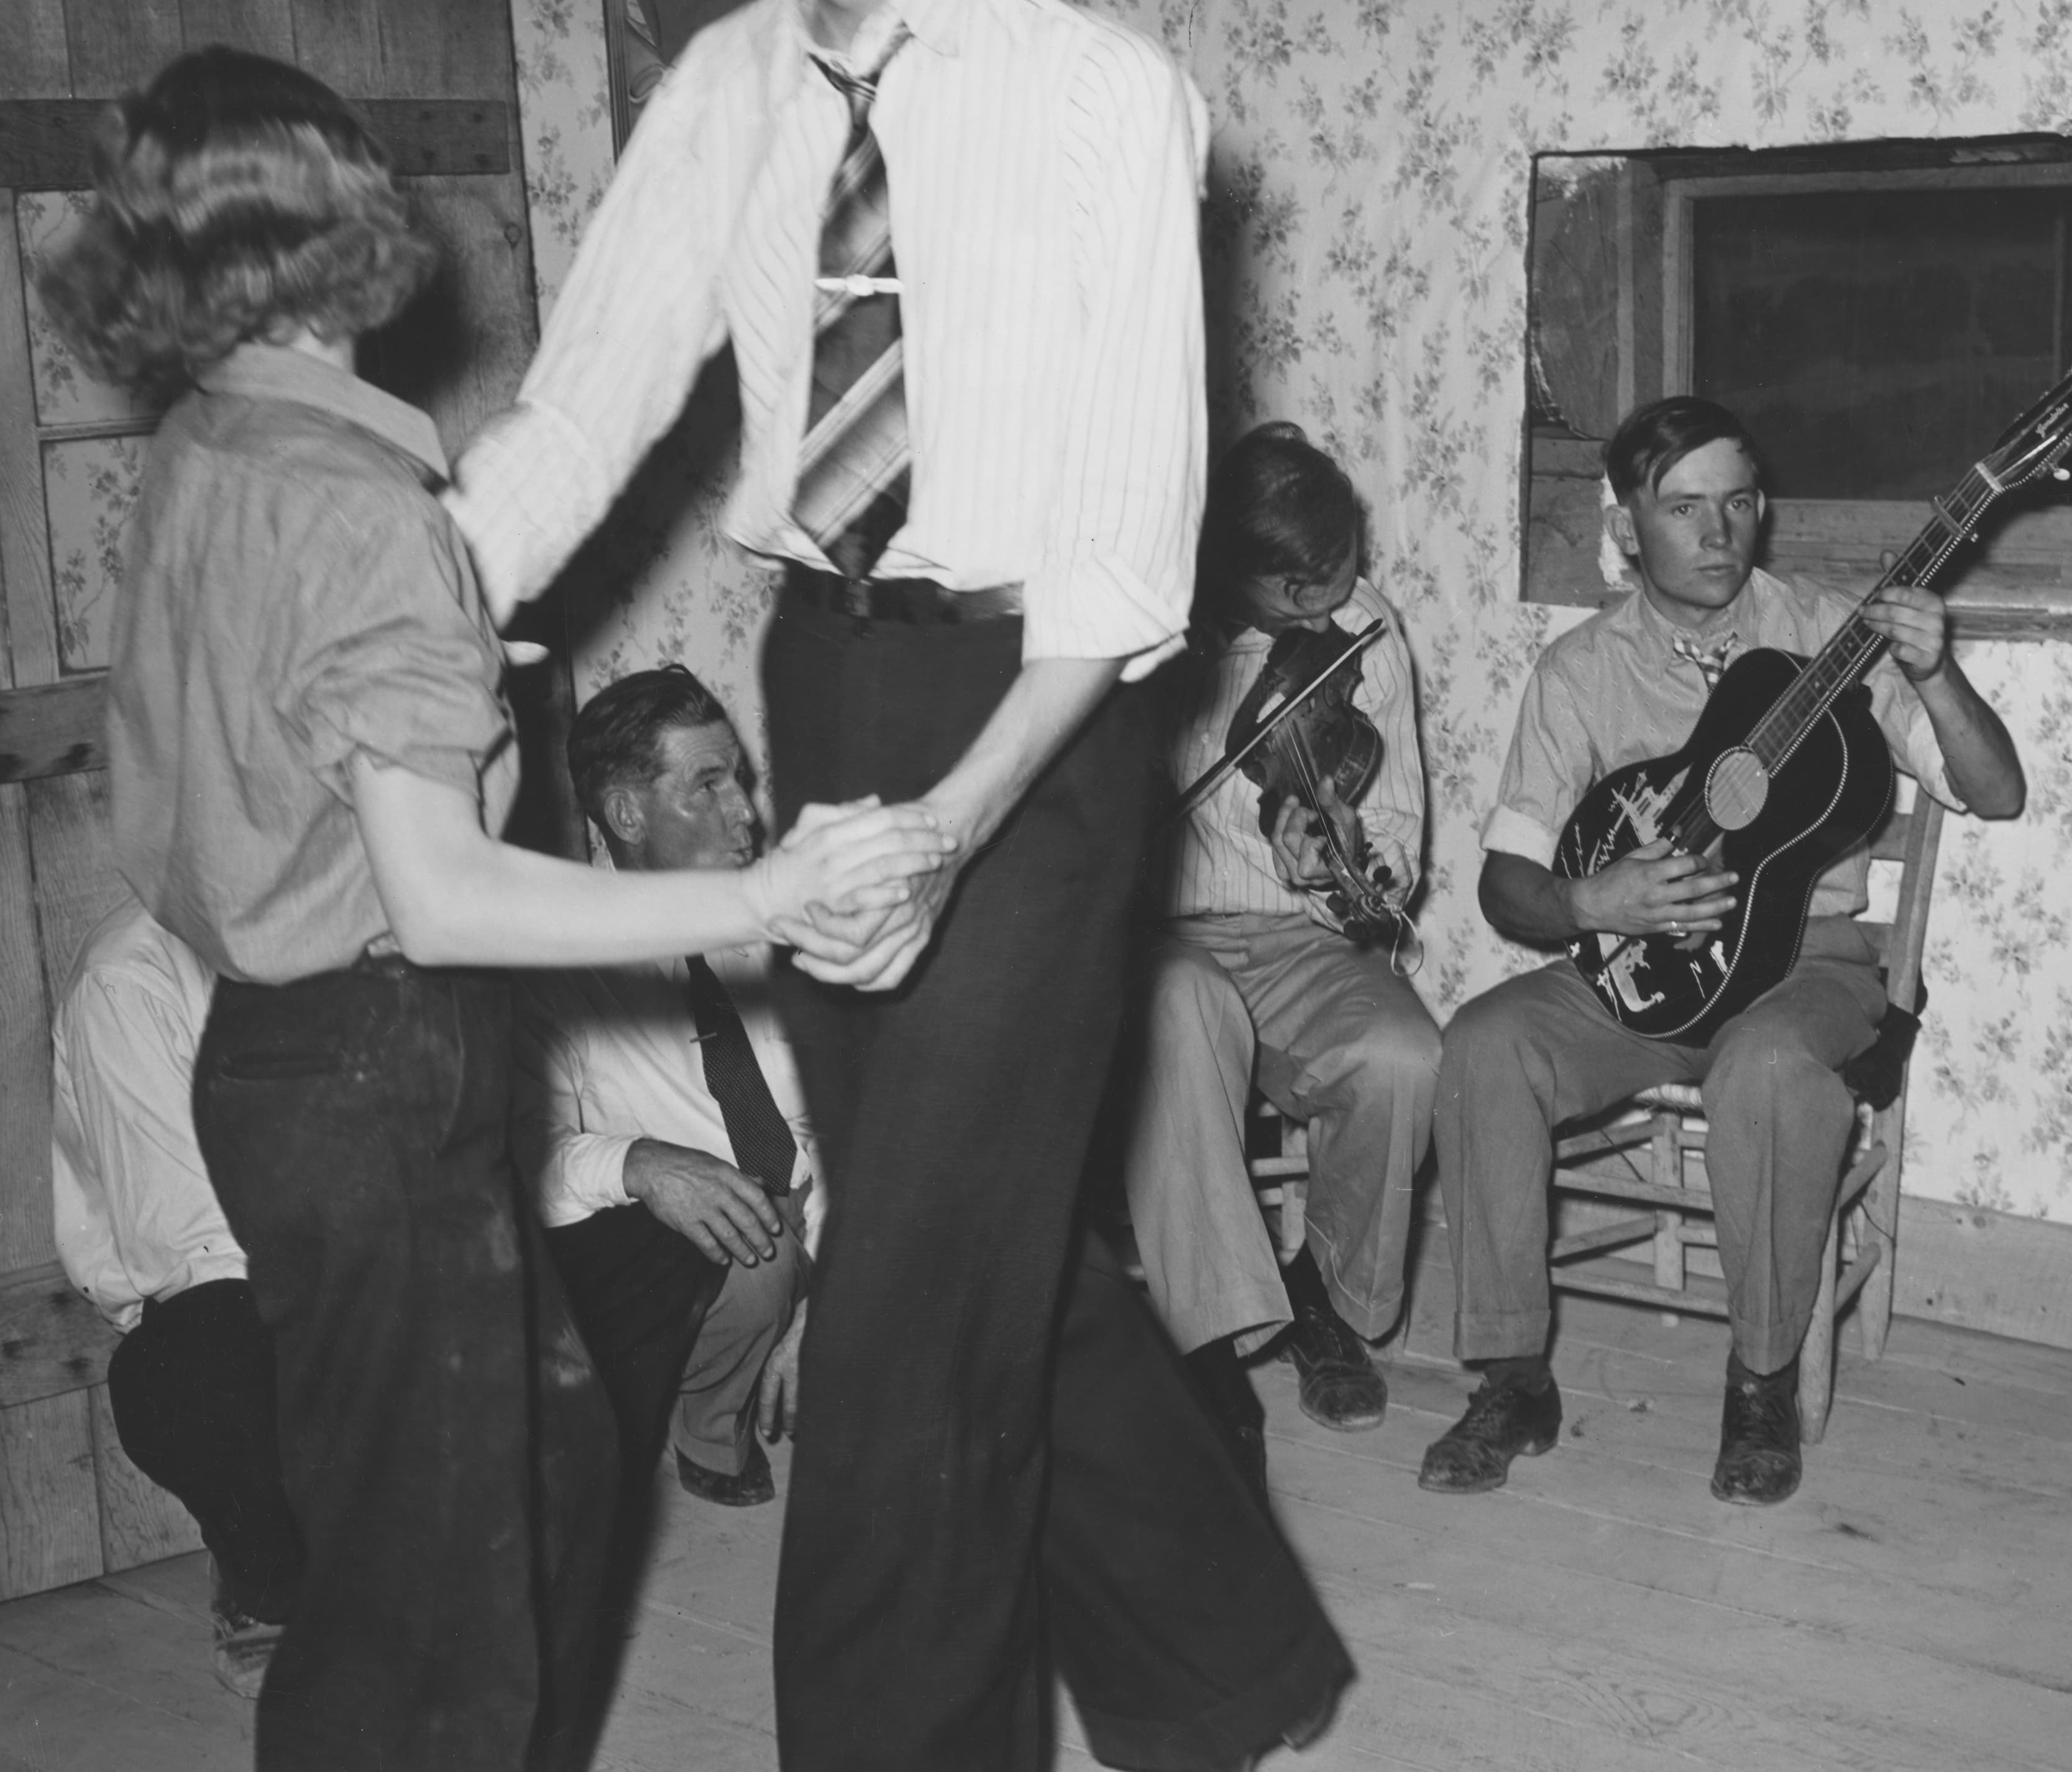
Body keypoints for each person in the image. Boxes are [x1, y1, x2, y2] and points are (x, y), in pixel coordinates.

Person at [447, 2, 1354, 1766]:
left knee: (903, 1297)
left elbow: (1126, 540)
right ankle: (1222, 1657)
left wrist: (953, 821)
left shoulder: (1098, 89)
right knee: (979, 1229)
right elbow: (582, 410)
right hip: (827, 671)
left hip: (1045, 705)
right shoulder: (730, 84)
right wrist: (397, 617)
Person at [40, 47, 949, 1772]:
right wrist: (761, 883)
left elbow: (216, 801)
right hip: (382, 1058)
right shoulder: (361, 502)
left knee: (517, 1478)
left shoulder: (200, 455)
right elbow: (440, 890)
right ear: (351, 227)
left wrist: (453, 708)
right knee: (444, 1575)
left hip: (274, 1058)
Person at [1425, 395, 2025, 1508]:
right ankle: (1513, 1378)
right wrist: (1593, 897)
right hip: (1640, 969)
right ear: (1624, 528)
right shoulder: (1578, 673)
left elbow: (1996, 792)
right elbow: (1506, 884)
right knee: (1484, 1045)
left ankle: (1761, 1384)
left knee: (1769, 1070)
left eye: (1739, 503)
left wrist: (1938, 673)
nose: (1718, 534)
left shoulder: (1827, 630)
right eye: (1684, 507)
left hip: (1809, 967)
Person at [1126, 421, 1437, 1464]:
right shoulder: (1149, 634)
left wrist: (1343, 865)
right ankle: (1213, 1344)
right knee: (1183, 1008)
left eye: (1345, 570)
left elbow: (1393, 868)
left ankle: (1326, 1298)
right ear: (1239, 580)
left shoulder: (1364, 631)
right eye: (1304, 593)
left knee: (1403, 1055)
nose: (1335, 603)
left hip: (1302, 938)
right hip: (1163, 935)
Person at [515, 666, 822, 1519]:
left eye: (741, 781)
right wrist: (639, 1162)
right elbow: (514, 1155)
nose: (746, 815)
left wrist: (845, 1273)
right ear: (626, 814)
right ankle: (708, 1419)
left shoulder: (777, 922)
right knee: (756, 1262)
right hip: (692, 1247)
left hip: (807, 1205)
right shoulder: (557, 957)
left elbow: (845, 1124)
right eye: (708, 786)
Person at [50, 889, 303, 1701]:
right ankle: (264, 1577)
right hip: (221, 1290)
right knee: (199, 1369)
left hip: (352, 1256)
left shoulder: (360, 913)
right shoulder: (131, 976)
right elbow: (195, 1244)